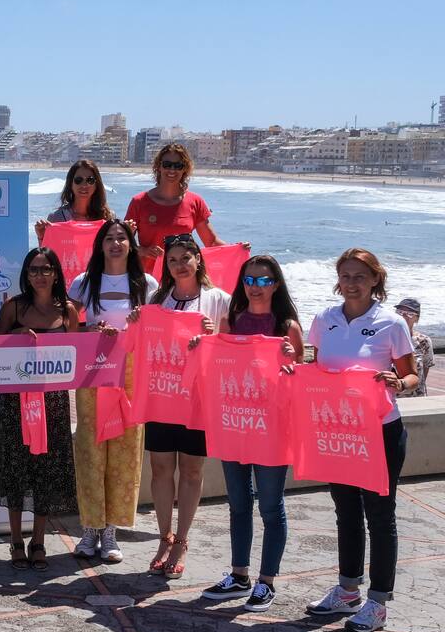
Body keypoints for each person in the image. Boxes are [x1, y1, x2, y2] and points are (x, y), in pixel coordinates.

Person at [304, 249, 417, 632]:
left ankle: (378, 601)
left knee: (380, 516)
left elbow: (411, 376)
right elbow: (316, 369)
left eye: (360, 276)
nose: (352, 282)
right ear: (339, 280)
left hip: (380, 430)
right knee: (345, 510)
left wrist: (398, 383)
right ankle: (347, 589)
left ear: (375, 280)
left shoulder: (391, 323)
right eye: (346, 275)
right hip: (337, 429)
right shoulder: (325, 320)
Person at [199, 255, 303, 612]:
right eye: (249, 280)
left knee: (271, 506)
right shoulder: (231, 320)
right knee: (239, 504)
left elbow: (298, 381)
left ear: (276, 284)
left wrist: (292, 361)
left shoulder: (286, 325)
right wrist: (202, 347)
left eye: (262, 281)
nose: (255, 287)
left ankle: (266, 582)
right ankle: (239, 575)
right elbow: (216, 368)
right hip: (235, 423)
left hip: (272, 429)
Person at [140, 234, 231, 580]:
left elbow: (234, 348)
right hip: (162, 396)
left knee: (192, 472)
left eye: (185, 257)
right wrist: (138, 321)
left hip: (198, 399)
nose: (179, 265)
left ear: (198, 260)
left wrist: (214, 336)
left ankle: (182, 541)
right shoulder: (157, 298)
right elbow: (146, 341)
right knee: (161, 470)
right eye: (173, 259)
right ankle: (164, 538)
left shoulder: (219, 300)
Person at [67, 220, 158, 563]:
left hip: (132, 373)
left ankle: (111, 533)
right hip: (94, 370)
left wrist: (140, 324)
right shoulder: (82, 283)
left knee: (124, 449)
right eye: (109, 238)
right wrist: (90, 328)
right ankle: (89, 529)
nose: (116, 243)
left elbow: (157, 331)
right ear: (100, 245)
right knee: (91, 445)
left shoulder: (147, 284)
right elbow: (69, 324)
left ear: (131, 245)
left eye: (122, 238)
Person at [0, 247, 79, 570]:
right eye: (33, 269)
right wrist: (15, 335)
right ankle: (16, 540)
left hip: (52, 404)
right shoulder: (14, 307)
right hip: (15, 401)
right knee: (15, 469)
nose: (39, 275)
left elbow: (76, 357)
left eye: (46, 268)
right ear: (26, 274)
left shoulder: (68, 311)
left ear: (56, 273)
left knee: (45, 472)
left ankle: (39, 540)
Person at [125, 143, 231, 274]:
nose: (172, 170)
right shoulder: (139, 202)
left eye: (178, 166)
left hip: (182, 279)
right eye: (167, 164)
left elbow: (212, 242)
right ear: (158, 167)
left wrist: (238, 250)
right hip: (147, 280)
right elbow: (123, 243)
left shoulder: (195, 202)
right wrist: (144, 251)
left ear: (184, 169)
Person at [32, 159, 116, 239]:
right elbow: (48, 252)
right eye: (78, 180)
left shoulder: (108, 217)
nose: (84, 185)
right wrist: (41, 237)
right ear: (70, 183)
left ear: (96, 185)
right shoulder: (57, 218)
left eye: (90, 180)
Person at [393, 298, 434, 398]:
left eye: (410, 314)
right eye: (400, 312)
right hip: (391, 396)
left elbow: (425, 368)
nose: (404, 316)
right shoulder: (386, 338)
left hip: (415, 396)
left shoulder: (424, 341)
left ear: (417, 319)